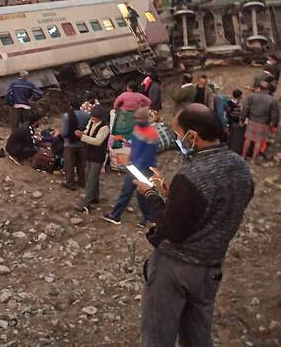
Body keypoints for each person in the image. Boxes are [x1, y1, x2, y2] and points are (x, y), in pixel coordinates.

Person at [135, 104, 254, 347]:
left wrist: (151, 194)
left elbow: (172, 229)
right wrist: (175, 196)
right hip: (211, 265)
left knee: (158, 334)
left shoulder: (192, 175)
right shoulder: (241, 168)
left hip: (176, 267)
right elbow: (215, 208)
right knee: (197, 333)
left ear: (193, 136)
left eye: (178, 134)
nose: (178, 139)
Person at [103, 106, 158, 227]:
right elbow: (134, 146)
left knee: (135, 193)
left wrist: (133, 164)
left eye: (138, 118)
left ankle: (117, 215)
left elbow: (148, 155)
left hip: (143, 168)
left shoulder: (151, 134)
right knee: (139, 193)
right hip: (136, 166)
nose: (136, 120)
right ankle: (148, 218)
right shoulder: (138, 128)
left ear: (144, 119)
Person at [74, 105, 110, 213]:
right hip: (89, 154)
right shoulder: (91, 122)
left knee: (91, 179)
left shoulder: (104, 128)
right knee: (91, 176)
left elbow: (98, 141)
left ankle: (86, 201)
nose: (92, 118)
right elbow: (87, 131)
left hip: (98, 156)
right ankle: (95, 196)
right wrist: (83, 134)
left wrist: (82, 137)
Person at [241, 81, 279, 163]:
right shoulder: (272, 100)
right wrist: (274, 125)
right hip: (263, 123)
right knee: (258, 142)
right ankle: (253, 159)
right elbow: (275, 114)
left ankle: (243, 156)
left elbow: (245, 109)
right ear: (268, 90)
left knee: (247, 140)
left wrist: (242, 119)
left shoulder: (251, 97)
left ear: (259, 88)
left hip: (252, 120)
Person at [60, 98, 90, 191]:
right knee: (81, 164)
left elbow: (65, 132)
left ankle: (70, 183)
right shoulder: (86, 115)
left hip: (70, 144)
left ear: (70, 106)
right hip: (82, 143)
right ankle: (82, 182)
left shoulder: (67, 116)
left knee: (69, 164)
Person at [224, 89, 244, 154]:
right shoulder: (230, 103)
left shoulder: (235, 103)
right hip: (231, 122)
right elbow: (227, 113)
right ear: (239, 96)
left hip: (234, 121)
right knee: (230, 135)